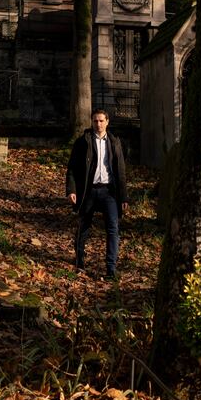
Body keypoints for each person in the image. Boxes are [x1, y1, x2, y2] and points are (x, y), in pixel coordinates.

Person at [66, 108, 129, 278]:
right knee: (83, 227)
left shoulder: (115, 142)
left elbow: (121, 171)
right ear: (92, 122)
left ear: (107, 122)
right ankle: (80, 263)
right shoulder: (83, 142)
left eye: (101, 121)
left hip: (109, 192)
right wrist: (71, 190)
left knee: (113, 229)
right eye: (95, 121)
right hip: (89, 191)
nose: (98, 124)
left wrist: (123, 196)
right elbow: (72, 168)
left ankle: (111, 268)